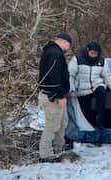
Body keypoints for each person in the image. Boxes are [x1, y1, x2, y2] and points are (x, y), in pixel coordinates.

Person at [68, 42, 111, 129]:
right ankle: (90, 125)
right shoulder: (77, 59)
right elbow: (70, 75)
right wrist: (72, 89)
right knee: (86, 111)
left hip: (96, 85)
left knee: (101, 92)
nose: (94, 55)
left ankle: (100, 120)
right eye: (92, 53)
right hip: (83, 88)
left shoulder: (102, 61)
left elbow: (107, 77)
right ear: (87, 51)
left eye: (96, 54)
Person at [38, 32, 72, 163]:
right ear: (64, 42)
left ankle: (59, 147)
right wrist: (60, 96)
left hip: (57, 95)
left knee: (63, 121)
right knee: (52, 125)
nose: (68, 48)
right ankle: (45, 154)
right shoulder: (54, 54)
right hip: (52, 96)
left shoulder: (54, 52)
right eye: (68, 45)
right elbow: (53, 77)